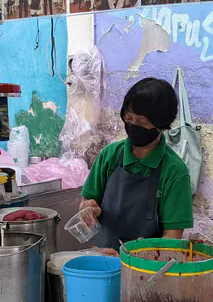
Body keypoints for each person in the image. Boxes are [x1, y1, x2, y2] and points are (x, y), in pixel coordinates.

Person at [80, 78, 193, 251]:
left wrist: (130, 260)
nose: (132, 124)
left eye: (141, 121)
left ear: (162, 125)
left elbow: (172, 239)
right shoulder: (109, 155)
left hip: (146, 271)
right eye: (128, 117)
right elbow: (88, 199)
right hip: (103, 261)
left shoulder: (174, 172)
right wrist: (87, 208)